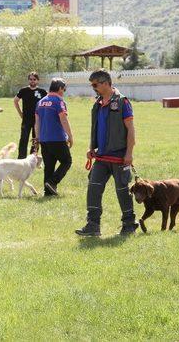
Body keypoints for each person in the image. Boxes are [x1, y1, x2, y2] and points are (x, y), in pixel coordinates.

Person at [75, 69, 138, 237]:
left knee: (122, 190)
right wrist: (91, 148)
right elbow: (96, 128)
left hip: (119, 156)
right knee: (93, 188)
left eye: (95, 85)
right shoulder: (97, 103)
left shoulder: (122, 102)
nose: (93, 88)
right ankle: (93, 225)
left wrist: (129, 153)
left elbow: (131, 130)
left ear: (105, 83)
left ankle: (129, 224)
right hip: (101, 157)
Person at [34, 78, 73, 196]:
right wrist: (70, 136)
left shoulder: (40, 102)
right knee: (67, 161)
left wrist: (37, 138)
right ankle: (52, 182)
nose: (64, 92)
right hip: (57, 138)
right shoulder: (59, 101)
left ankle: (48, 191)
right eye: (64, 89)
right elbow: (64, 120)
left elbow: (37, 122)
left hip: (44, 139)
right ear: (60, 88)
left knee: (49, 166)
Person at [14, 72, 47, 159]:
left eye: (34, 79)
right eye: (30, 79)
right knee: (23, 139)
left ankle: (33, 158)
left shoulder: (42, 92)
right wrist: (21, 114)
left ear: (37, 80)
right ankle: (21, 158)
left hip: (38, 120)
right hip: (26, 120)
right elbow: (15, 101)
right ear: (28, 80)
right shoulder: (23, 90)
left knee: (36, 139)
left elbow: (47, 104)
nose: (32, 81)